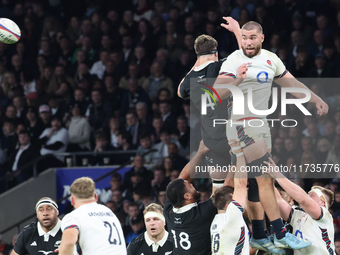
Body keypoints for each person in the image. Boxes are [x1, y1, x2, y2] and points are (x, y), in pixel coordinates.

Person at [217, 21, 326, 251]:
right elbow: (217, 92)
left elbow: (292, 84)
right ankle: (280, 232)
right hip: (240, 124)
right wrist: (236, 79)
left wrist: (315, 98)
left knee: (259, 183)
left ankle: (259, 234)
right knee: (265, 176)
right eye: (244, 37)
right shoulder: (234, 60)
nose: (248, 42)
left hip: (261, 125)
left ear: (261, 38)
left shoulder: (271, 59)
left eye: (252, 38)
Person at [177, 17, 241, 184]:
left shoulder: (190, 80)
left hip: (210, 140)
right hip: (231, 138)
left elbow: (179, 91)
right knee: (244, 189)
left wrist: (196, 64)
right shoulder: (219, 67)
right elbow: (247, 57)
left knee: (219, 192)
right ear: (216, 53)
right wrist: (237, 31)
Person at [263, 157, 335, 254]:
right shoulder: (298, 215)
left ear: (322, 202)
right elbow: (278, 200)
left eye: (312, 196)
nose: (308, 197)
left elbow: (304, 199)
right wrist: (265, 179)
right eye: (307, 194)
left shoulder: (325, 216)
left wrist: (278, 175)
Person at [164, 140, 218, 255]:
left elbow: (182, 180)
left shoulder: (170, 209)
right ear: (187, 196)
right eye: (190, 186)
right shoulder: (201, 214)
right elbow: (219, 188)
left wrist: (199, 153)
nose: (192, 184)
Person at [58, 177, 126, 255]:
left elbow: (69, 242)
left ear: (72, 200)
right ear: (95, 196)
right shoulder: (109, 212)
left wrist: (65, 249)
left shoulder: (74, 216)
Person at [210, 139, 252, 255]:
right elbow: (241, 184)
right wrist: (239, 153)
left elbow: (226, 188)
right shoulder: (231, 217)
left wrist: (234, 162)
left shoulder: (217, 220)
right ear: (229, 205)